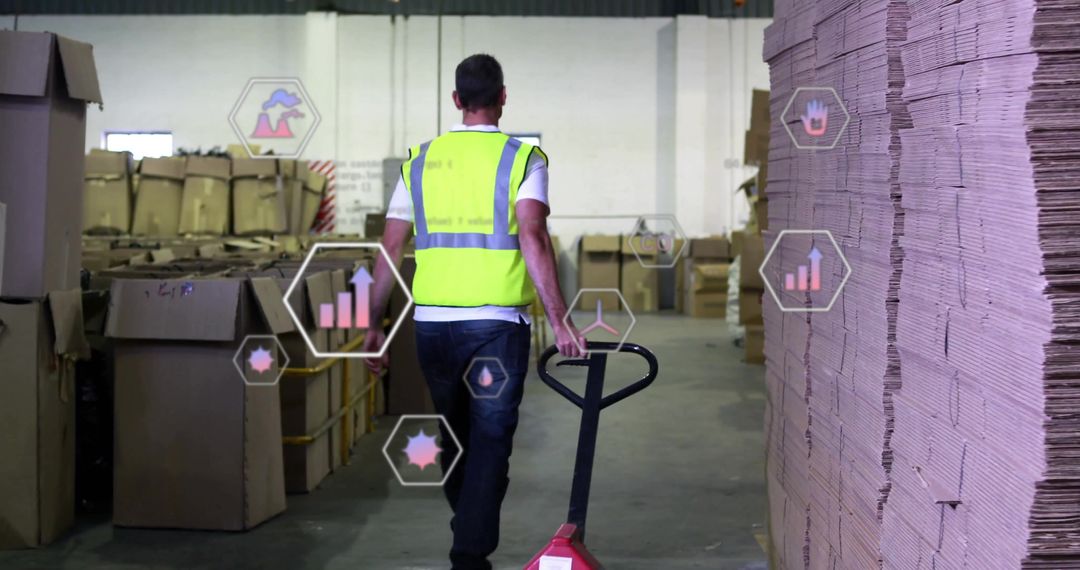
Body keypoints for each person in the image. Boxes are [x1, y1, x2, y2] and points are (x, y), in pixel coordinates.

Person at [361, 53, 586, 570]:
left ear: (457, 101)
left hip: (431, 329)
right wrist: (560, 319)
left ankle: (468, 535)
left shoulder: (419, 159)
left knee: (455, 437)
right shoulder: (524, 157)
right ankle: (468, 555)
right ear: (503, 98)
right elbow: (532, 233)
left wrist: (372, 326)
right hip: (494, 329)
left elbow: (389, 247)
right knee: (488, 441)